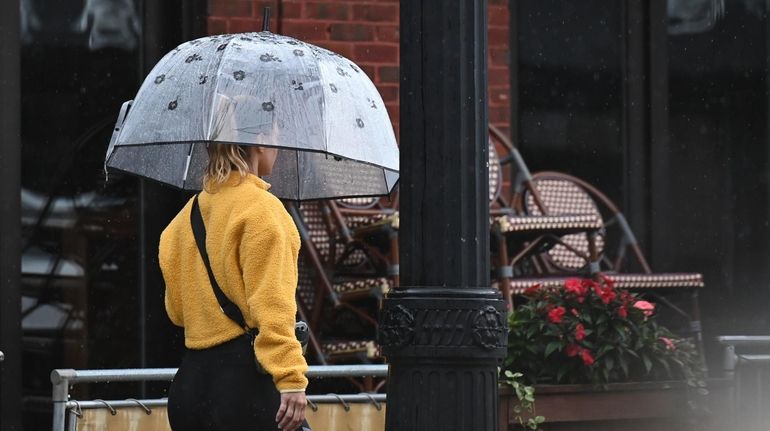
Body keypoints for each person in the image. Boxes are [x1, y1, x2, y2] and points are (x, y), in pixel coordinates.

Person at [160, 143, 309, 431]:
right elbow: (273, 307)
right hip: (245, 388)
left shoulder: (182, 220)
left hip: (190, 389)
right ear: (260, 144)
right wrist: (290, 378)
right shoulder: (262, 211)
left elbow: (176, 312)